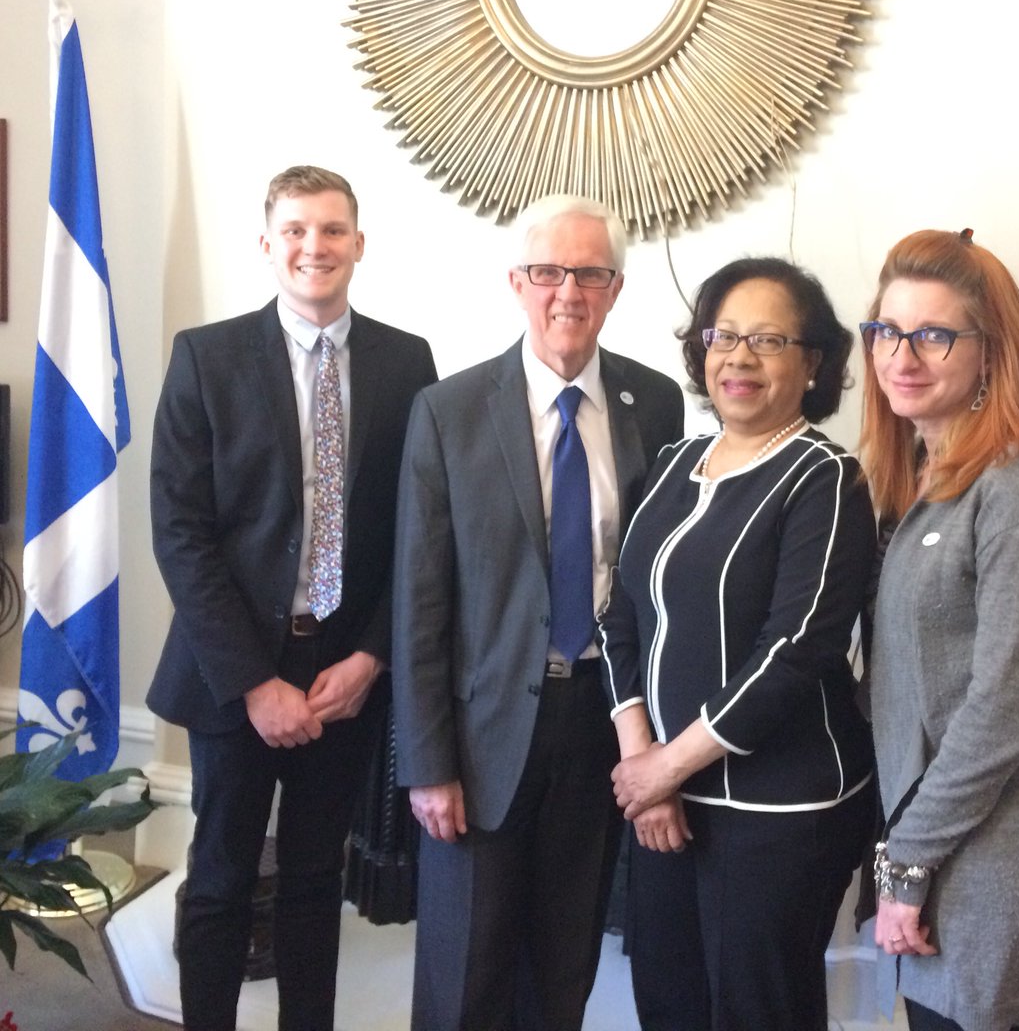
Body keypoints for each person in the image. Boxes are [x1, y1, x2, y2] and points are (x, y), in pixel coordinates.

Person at [148, 165, 437, 1031]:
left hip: (343, 671)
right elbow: (182, 532)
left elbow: (417, 531)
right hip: (232, 666)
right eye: (297, 230)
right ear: (268, 244)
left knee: (316, 881)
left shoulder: (406, 361)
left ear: (359, 244)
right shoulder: (207, 356)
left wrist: (371, 656)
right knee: (223, 876)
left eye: (333, 230)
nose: (316, 246)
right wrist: (253, 682)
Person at [392, 193, 684, 1031]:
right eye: (550, 272)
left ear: (616, 288)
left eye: (591, 274)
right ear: (517, 282)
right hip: (480, 739)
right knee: (464, 975)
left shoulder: (655, 404)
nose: (570, 293)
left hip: (601, 724)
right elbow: (420, 600)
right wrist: (425, 762)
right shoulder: (448, 411)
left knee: (563, 966)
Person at [602, 256, 877, 1031]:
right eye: (723, 335)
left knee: (760, 1012)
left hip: (778, 811)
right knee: (669, 1000)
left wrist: (666, 765)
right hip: (661, 793)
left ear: (813, 362)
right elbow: (617, 609)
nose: (740, 357)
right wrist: (639, 759)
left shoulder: (825, 477)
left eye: (769, 339)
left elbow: (796, 648)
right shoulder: (671, 463)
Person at [859, 228, 1019, 1031]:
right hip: (940, 856)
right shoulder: (923, 480)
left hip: (995, 868)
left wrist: (906, 865)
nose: (903, 355)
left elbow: (1003, 706)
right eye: (887, 331)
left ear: (990, 354)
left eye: (934, 334)